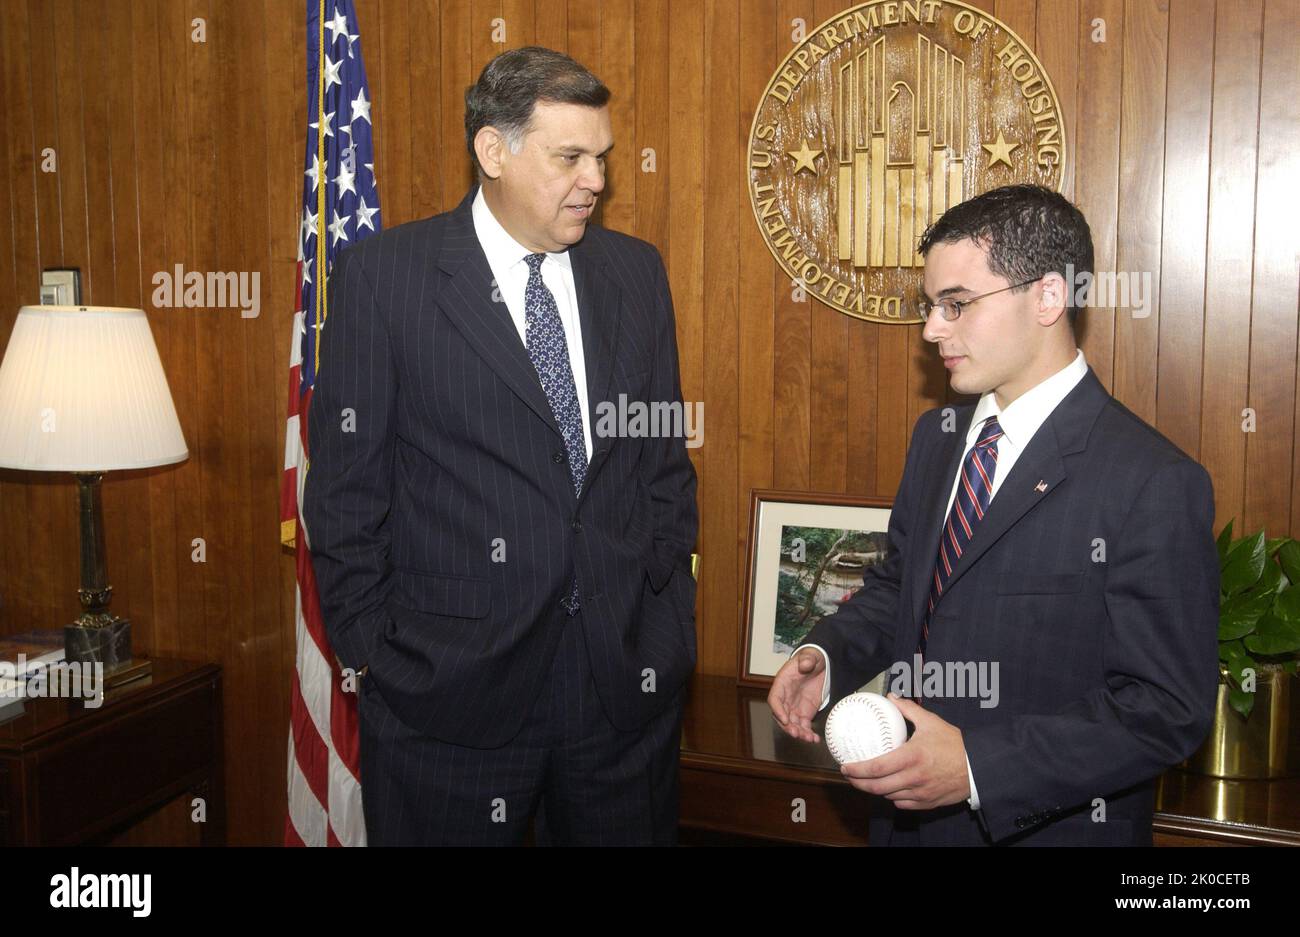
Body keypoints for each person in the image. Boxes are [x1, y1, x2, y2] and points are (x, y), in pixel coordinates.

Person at [304, 46, 698, 845]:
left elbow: (661, 465)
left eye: (602, 157)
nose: (595, 178)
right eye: (571, 157)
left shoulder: (634, 272)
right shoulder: (387, 278)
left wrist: (667, 624)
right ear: (493, 151)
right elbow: (347, 494)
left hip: (622, 693)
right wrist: (380, 656)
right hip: (447, 704)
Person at [768, 184, 1219, 846]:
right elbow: (904, 588)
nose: (930, 330)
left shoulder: (1153, 480)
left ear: (1048, 296)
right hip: (904, 823)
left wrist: (980, 767)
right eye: (930, 306)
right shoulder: (937, 438)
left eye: (956, 304)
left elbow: (1165, 709)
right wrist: (826, 653)